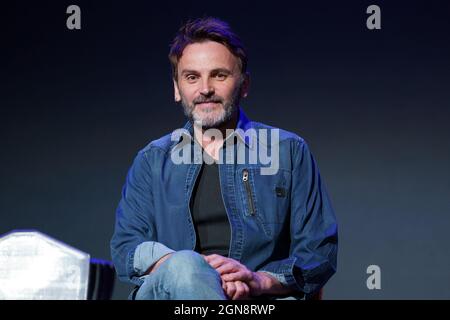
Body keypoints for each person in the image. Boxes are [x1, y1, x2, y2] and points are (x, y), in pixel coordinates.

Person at [110, 17, 338, 300]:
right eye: (192, 77)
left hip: (256, 299)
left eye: (219, 75)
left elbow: (319, 252)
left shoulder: (288, 152)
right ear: (177, 89)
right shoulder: (152, 161)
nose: (205, 88)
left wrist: (258, 281)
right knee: (185, 265)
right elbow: (126, 250)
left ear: (244, 85)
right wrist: (196, 271)